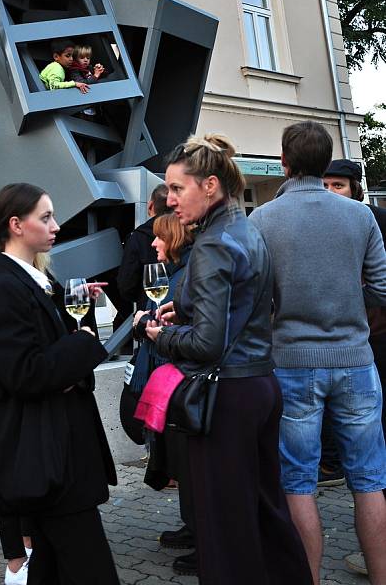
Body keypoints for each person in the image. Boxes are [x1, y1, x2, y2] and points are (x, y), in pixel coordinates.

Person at [147, 134, 313, 585]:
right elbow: (256, 304)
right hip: (259, 384)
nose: (169, 199)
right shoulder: (246, 229)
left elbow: (205, 345)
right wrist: (188, 309)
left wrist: (163, 336)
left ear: (211, 185)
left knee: (224, 526)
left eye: (178, 189)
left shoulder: (215, 243)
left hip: (228, 396)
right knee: (264, 512)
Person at [0, 183, 119, 585]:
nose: (56, 226)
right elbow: (23, 373)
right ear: (16, 225)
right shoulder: (4, 286)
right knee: (90, 569)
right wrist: (82, 342)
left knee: (51, 570)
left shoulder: (24, 280)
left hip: (52, 458)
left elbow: (35, 346)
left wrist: (69, 312)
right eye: (45, 217)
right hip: (50, 459)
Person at [249, 122, 386, 585]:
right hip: (356, 361)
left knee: (298, 483)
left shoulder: (263, 219)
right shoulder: (359, 215)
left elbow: (254, 299)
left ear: (284, 163)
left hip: (290, 363)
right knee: (369, 482)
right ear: (326, 164)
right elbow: (383, 286)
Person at [323, 157, 386, 577]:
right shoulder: (321, 224)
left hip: (375, 343)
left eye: (339, 185)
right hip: (348, 349)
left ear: (356, 189)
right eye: (325, 183)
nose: (331, 192)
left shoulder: (373, 221)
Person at [132, 213, 196, 575]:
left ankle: (204, 538)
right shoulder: (173, 274)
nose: (153, 244)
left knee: (188, 457)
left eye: (159, 238)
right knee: (178, 457)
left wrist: (150, 327)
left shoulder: (184, 276)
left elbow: (186, 331)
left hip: (183, 378)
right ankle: (194, 527)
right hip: (168, 377)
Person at [117, 183, 170, 311]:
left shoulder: (137, 237)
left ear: (151, 205)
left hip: (149, 311)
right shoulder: (190, 230)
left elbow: (126, 286)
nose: (155, 243)